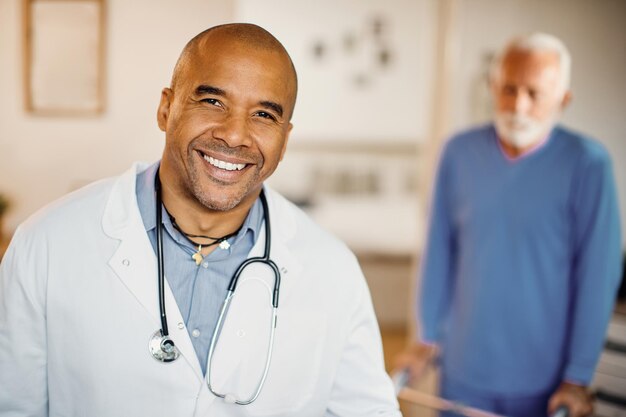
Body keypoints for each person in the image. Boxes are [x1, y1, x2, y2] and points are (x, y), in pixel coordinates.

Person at [0, 24, 401, 416]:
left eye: (264, 114)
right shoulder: (47, 244)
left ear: (285, 138)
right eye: (213, 102)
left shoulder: (333, 269)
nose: (234, 135)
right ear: (165, 108)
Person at [396, 33, 622, 417]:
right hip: (464, 369)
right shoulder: (458, 152)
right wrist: (426, 335)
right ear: (492, 87)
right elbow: (438, 250)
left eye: (535, 94)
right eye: (509, 89)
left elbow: (597, 276)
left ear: (563, 100)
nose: (518, 105)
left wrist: (578, 374)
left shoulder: (588, 164)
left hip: (543, 380)